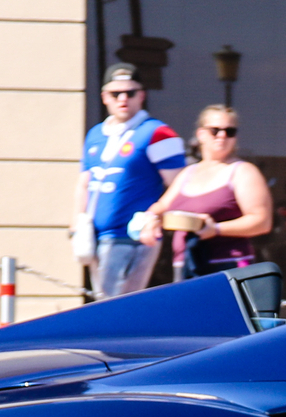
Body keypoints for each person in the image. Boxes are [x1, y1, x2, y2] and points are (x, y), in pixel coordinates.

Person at [76, 65, 185, 297]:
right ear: (105, 97)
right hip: (97, 236)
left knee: (116, 310)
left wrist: (154, 217)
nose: (123, 99)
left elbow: (180, 184)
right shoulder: (96, 134)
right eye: (116, 94)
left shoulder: (157, 132)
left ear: (142, 95)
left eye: (131, 93)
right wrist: (77, 223)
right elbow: (85, 182)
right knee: (102, 304)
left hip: (131, 237)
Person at [139, 105, 273, 278]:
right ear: (201, 134)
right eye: (215, 130)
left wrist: (216, 229)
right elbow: (162, 205)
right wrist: (150, 220)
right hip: (185, 266)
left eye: (229, 131)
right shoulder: (188, 173)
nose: (222, 136)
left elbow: (262, 221)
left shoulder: (242, 171)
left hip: (227, 267)